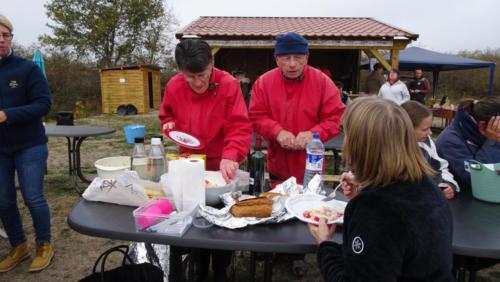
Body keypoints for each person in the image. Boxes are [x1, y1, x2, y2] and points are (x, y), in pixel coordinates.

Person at [309, 96, 454, 281]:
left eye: (347, 136)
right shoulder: (428, 187)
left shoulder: (376, 209)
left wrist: (324, 244)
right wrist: (364, 193)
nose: (344, 144)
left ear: (360, 146)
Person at [249, 32, 345, 277]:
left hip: (310, 161)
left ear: (307, 57)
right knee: (278, 202)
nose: (291, 64)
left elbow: (335, 118)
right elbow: (256, 115)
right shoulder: (264, 82)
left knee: (307, 205)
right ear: (276, 58)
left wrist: (313, 134)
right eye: (285, 58)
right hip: (278, 156)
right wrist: (277, 131)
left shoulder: (323, 82)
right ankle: (276, 247)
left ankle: (298, 254)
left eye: (298, 57)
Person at [159, 39, 252, 282]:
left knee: (221, 219)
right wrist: (168, 123)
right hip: (189, 161)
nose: (198, 83)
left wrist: (231, 156)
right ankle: (199, 268)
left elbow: (239, 127)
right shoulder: (174, 86)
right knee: (193, 217)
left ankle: (221, 270)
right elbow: (167, 113)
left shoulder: (229, 85)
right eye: (191, 77)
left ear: (212, 64)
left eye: (202, 75)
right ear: (181, 71)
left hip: (222, 163)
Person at [0, 14, 54, 272]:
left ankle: (44, 244)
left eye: (5, 35)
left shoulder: (26, 69)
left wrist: (8, 114)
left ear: (11, 38)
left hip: (29, 144)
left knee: (33, 197)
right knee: (3, 200)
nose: (1, 40)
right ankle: (18, 246)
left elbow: (44, 104)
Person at [436, 96, 500, 189]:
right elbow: (476, 178)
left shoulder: (487, 134)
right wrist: (493, 142)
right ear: (482, 126)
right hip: (465, 197)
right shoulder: (450, 141)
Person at [401, 101, 459, 199]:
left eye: (430, 128)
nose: (430, 133)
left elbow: (440, 167)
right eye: (425, 129)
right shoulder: (390, 150)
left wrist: (447, 185)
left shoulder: (426, 142)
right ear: (407, 128)